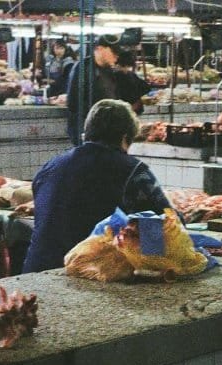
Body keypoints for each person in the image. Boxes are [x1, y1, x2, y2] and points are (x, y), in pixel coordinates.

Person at [23, 99, 171, 274]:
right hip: (87, 273)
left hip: (36, 272)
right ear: (124, 138)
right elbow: (164, 227)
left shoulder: (50, 167)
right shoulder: (132, 170)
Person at [65, 34, 121, 145]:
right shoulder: (82, 69)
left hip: (106, 131)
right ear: (100, 49)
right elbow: (73, 103)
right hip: (87, 131)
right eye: (113, 52)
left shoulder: (109, 72)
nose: (117, 56)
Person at [113, 49, 150, 113]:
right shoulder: (131, 75)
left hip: (125, 110)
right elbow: (146, 88)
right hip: (133, 109)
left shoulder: (116, 75)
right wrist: (138, 100)